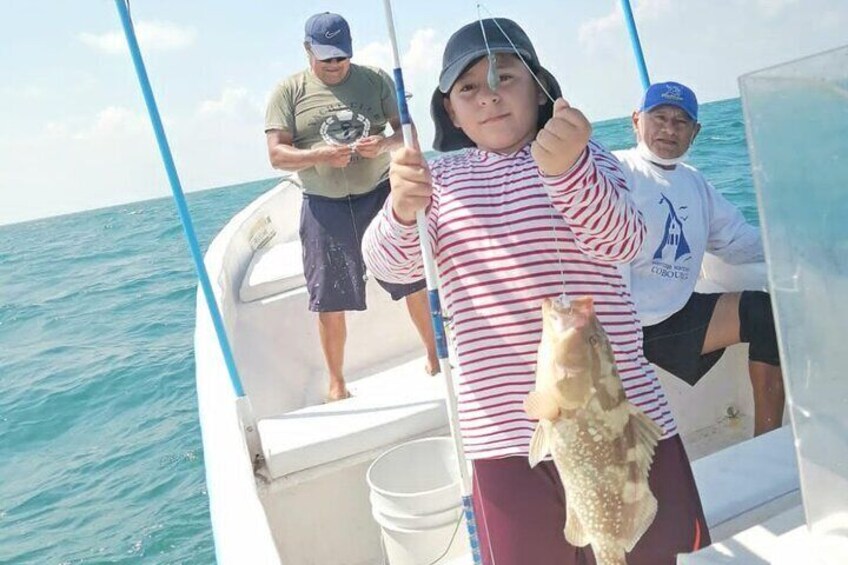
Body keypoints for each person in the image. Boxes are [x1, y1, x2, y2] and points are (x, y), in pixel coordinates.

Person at [362, 18, 710, 565]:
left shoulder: (588, 158)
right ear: (450, 112)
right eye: (468, 88)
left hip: (621, 419)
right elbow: (390, 265)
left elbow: (623, 240)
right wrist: (402, 209)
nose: (489, 96)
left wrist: (567, 171)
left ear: (541, 89)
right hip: (502, 437)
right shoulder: (439, 185)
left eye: (505, 77)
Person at [264, 12, 438, 402]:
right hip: (324, 206)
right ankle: (336, 382)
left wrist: (385, 144)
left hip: (379, 195)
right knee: (329, 298)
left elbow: (407, 132)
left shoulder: (375, 79)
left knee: (413, 279)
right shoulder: (288, 92)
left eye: (342, 56)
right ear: (308, 50)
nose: (335, 64)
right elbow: (276, 155)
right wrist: (320, 155)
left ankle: (434, 355)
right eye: (327, 57)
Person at [613, 81, 785, 436]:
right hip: (624, 327)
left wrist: (792, 245)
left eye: (681, 121)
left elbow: (737, 242)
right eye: (659, 117)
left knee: (765, 313)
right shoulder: (614, 168)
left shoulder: (695, 183)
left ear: (695, 131)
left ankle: (767, 438)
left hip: (674, 315)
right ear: (636, 121)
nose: (669, 129)